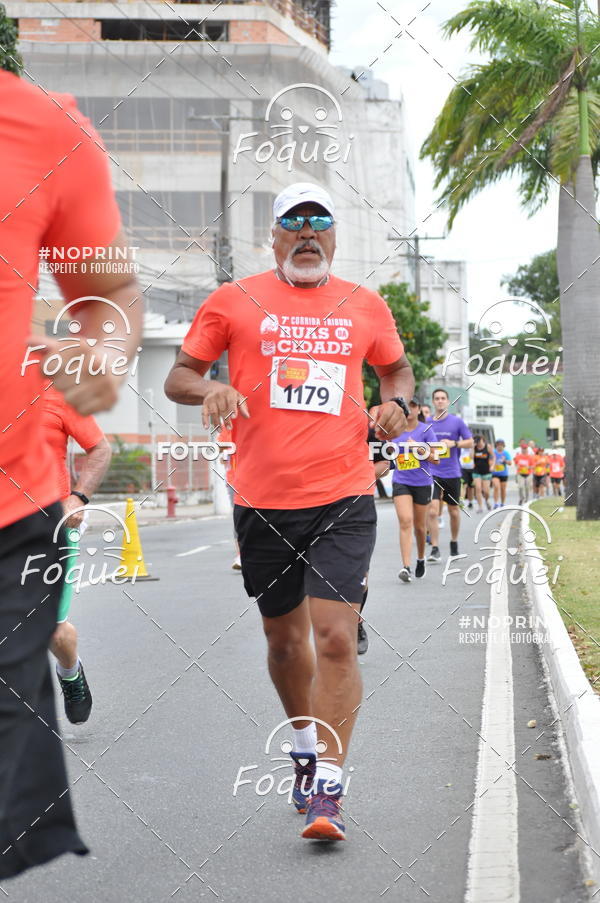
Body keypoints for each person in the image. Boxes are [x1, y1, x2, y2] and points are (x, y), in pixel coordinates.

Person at [164, 182, 414, 841]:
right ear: (272, 236)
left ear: (335, 236)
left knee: (334, 635)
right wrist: (212, 386)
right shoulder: (233, 300)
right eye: (293, 222)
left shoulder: (365, 306)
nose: (307, 232)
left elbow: (396, 372)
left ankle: (328, 788)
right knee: (283, 640)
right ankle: (304, 746)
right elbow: (178, 376)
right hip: (262, 500)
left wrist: (398, 406)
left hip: (345, 493)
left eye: (319, 222)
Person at [0, 69, 142, 879]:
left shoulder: (47, 131)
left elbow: (109, 290)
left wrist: (109, 351)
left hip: (17, 513)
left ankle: (71, 667)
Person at [43, 387, 112, 723]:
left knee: (54, 631)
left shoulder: (56, 393)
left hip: (49, 528)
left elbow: (99, 448)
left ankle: (71, 674)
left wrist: (78, 499)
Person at [391, 399, 438, 581]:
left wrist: (417, 447)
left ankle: (420, 558)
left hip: (422, 482)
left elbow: (436, 459)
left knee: (420, 527)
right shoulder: (394, 431)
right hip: (401, 481)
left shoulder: (426, 430)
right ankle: (406, 567)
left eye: (412, 406)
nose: (409, 410)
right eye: (406, 407)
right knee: (405, 521)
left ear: (418, 409)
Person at [426, 388, 473, 562]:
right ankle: (435, 548)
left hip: (452, 472)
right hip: (432, 472)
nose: (439, 401)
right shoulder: (427, 423)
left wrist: (453, 443)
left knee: (453, 511)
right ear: (433, 401)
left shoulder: (457, 422)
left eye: (443, 398)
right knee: (432, 511)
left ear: (447, 401)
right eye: (436, 398)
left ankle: (454, 543)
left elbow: (470, 441)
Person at [472, 435, 493, 513]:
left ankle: (487, 501)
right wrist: (472, 447)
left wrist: (492, 465)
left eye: (479, 441)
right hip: (476, 471)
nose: (478, 443)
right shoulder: (474, 448)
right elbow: (471, 457)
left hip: (486, 471)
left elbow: (493, 457)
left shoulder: (488, 447)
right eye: (476, 442)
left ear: (483, 440)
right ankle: (480, 506)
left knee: (486, 491)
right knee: (478, 488)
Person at [491, 439, 512, 508]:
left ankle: (502, 503)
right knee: (496, 487)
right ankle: (496, 503)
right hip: (495, 474)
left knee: (503, 489)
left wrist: (505, 460)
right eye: (498, 445)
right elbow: (489, 460)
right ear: (496, 446)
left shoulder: (506, 453)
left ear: (503, 446)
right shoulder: (493, 452)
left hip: (503, 474)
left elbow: (510, 463)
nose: (499, 446)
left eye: (501, 445)